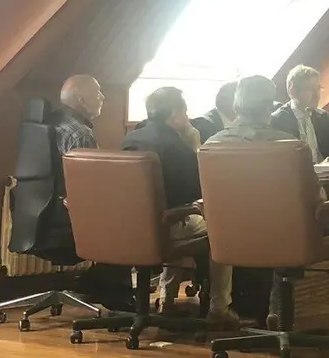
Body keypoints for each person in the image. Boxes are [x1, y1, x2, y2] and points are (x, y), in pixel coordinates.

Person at [209, 75, 329, 349]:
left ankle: (276, 312)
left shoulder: (212, 144)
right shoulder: (289, 146)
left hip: (232, 238)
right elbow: (316, 200)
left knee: (279, 223)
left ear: (237, 105)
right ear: (269, 106)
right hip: (288, 235)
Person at [121, 87, 241, 329]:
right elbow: (200, 189)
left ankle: (166, 299)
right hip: (166, 227)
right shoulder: (175, 146)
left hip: (128, 226)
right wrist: (195, 145)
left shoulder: (129, 140)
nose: (187, 117)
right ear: (175, 114)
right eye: (185, 112)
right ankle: (219, 308)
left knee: (181, 219)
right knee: (222, 230)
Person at [43, 75, 132, 310]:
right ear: (82, 100)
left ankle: (96, 281)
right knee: (131, 222)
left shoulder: (47, 124)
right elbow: (88, 189)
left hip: (44, 216)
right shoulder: (79, 133)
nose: (103, 97)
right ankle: (115, 295)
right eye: (98, 92)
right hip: (68, 220)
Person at [270, 65, 329, 161]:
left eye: (318, 89)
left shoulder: (323, 117)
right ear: (292, 91)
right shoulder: (278, 120)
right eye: (310, 90)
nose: (317, 95)